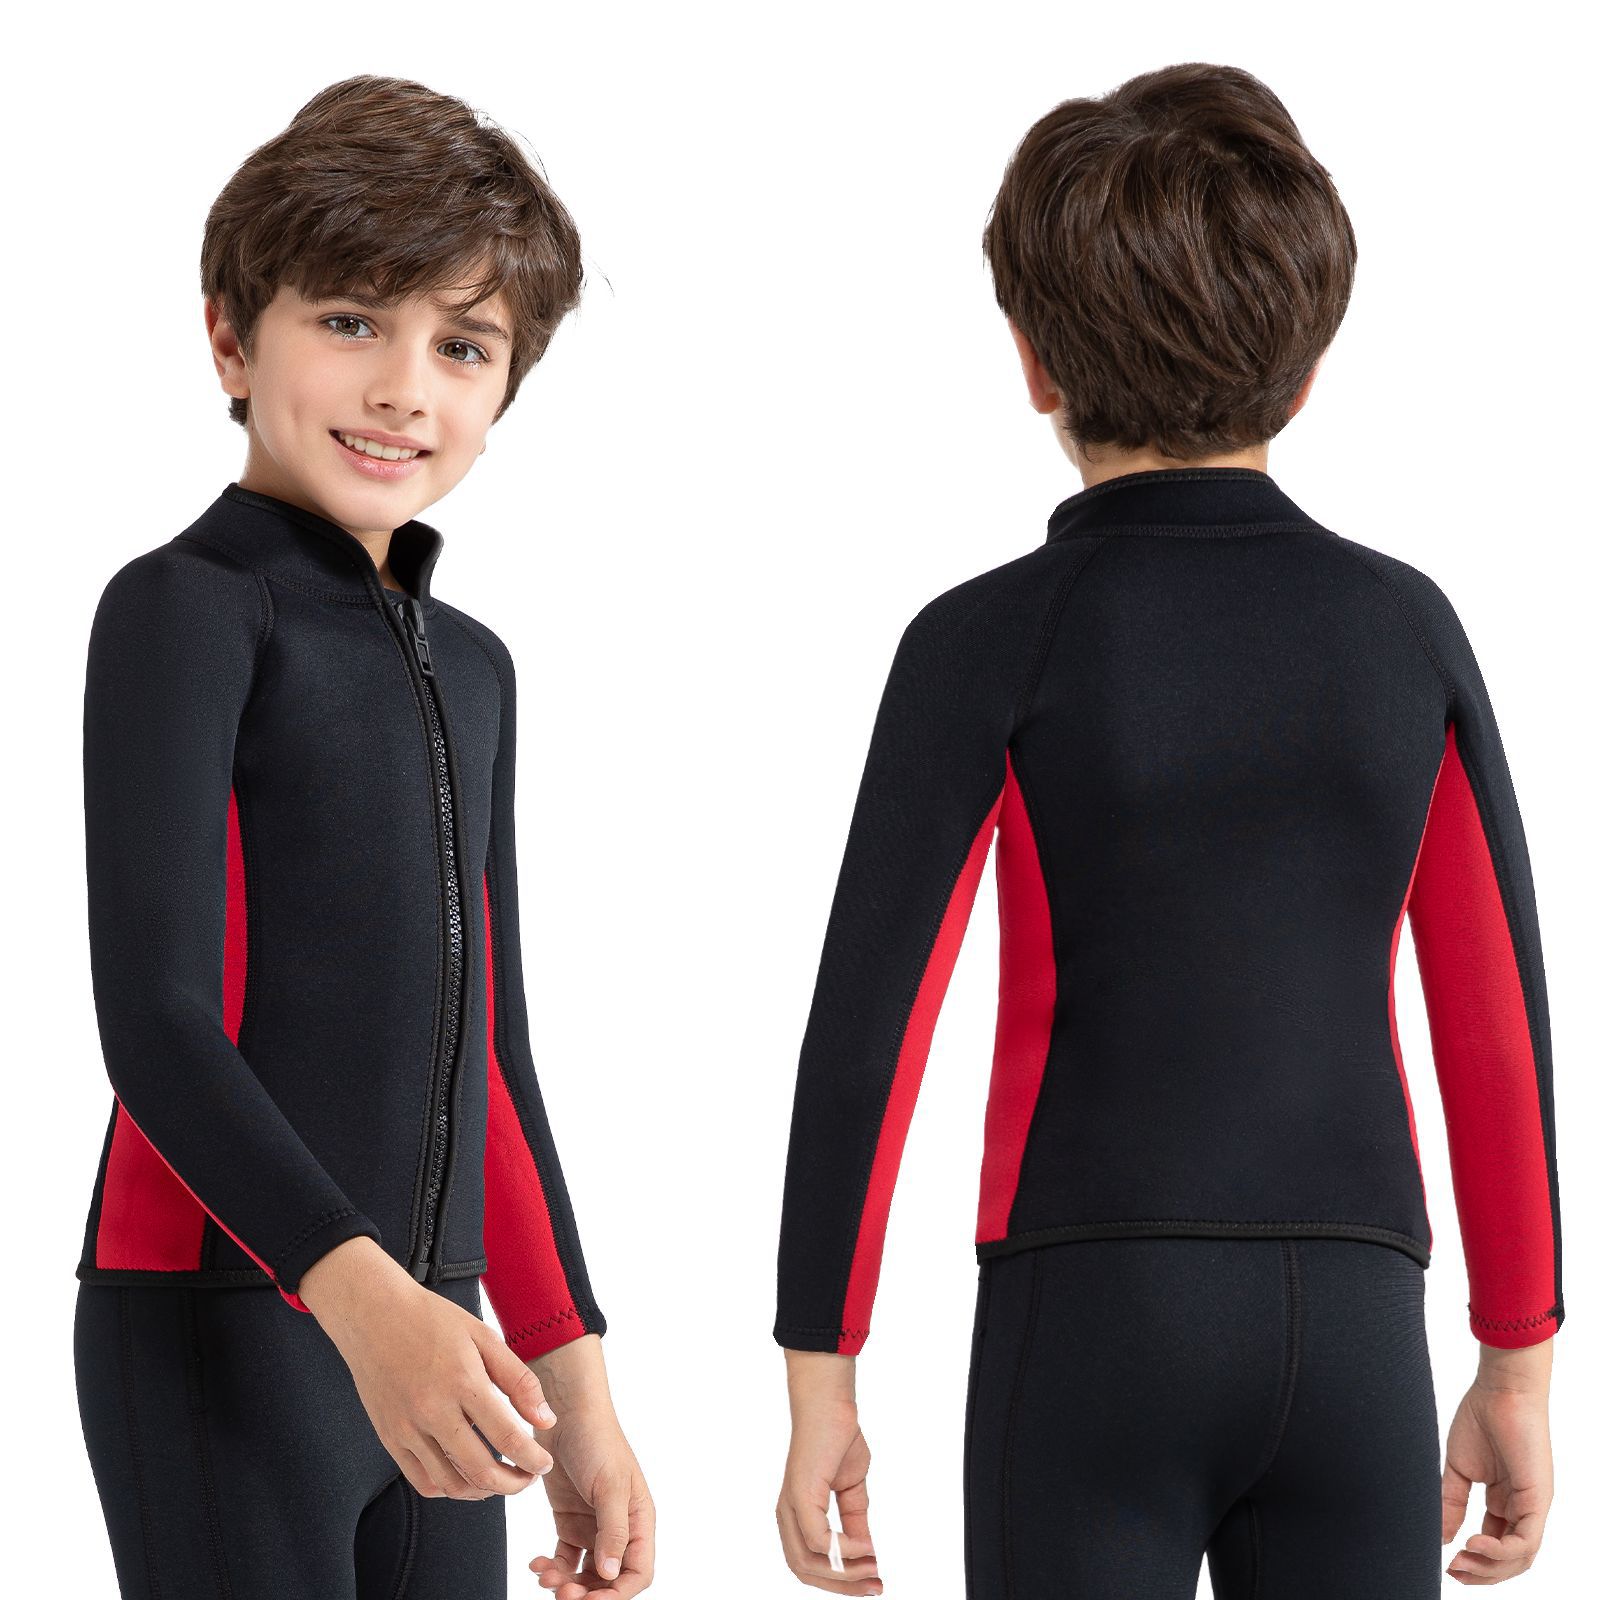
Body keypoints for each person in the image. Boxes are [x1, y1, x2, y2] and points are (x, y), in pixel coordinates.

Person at [772, 62, 1562, 1599]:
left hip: (1092, 1306)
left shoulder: (985, 640)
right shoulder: (1406, 631)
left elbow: (871, 1025)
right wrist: (1516, 1362)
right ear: (1307, 367)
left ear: (1033, 362)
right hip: (1356, 1319)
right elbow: (1496, 1022)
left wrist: (822, 1371)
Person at [72, 74, 654, 1599]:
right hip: (223, 1320)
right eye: (350, 322)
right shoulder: (184, 612)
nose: (405, 388)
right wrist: (359, 1296)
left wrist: (575, 1383)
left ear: (503, 391)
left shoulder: (475, 669)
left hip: (443, 1341)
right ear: (230, 339)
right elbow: (157, 1025)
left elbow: (494, 1061)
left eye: (462, 346)